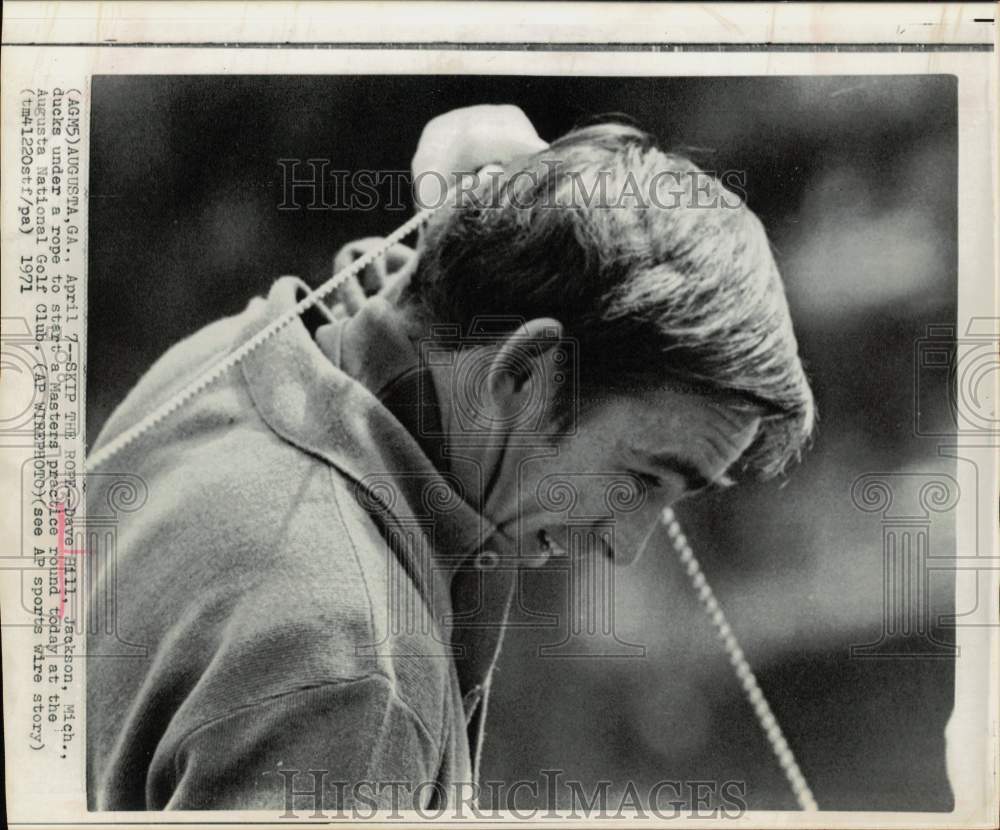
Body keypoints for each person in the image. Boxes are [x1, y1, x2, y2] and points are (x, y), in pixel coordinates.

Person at [86, 105, 814, 811]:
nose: (626, 544)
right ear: (526, 372)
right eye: (641, 479)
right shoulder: (358, 674)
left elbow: (407, 323)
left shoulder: (239, 358)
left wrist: (501, 232)